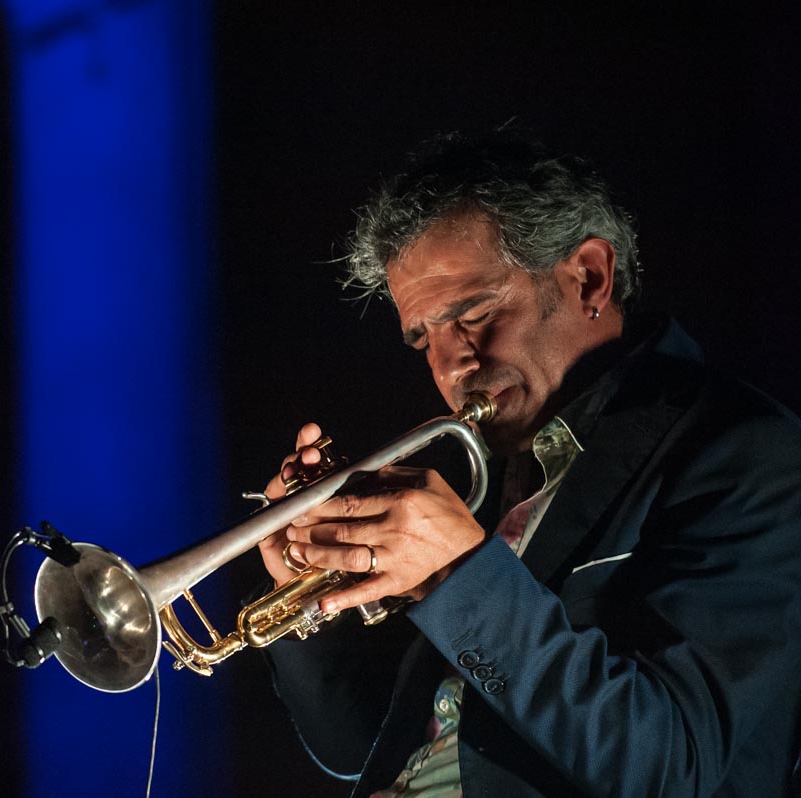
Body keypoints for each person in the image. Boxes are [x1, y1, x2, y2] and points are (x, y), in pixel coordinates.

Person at [256, 129, 801, 797]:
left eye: (476, 314)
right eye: (421, 336)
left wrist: (460, 573)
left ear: (588, 277)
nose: (450, 363)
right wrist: (307, 601)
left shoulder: (744, 450)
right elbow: (359, 748)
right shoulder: (486, 485)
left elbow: (671, 764)